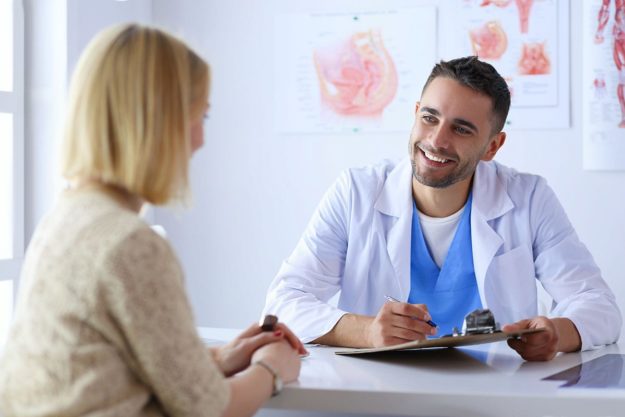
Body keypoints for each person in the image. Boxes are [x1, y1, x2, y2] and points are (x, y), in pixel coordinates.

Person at [0, 24, 305, 417]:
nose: (200, 140)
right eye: (201, 118)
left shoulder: (64, 219)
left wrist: (224, 356)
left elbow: (105, 371)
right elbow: (210, 410)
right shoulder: (129, 243)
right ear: (158, 122)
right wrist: (272, 369)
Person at [263, 56, 622, 361]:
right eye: (430, 118)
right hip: (376, 398)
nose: (437, 141)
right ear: (416, 113)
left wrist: (558, 332)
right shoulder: (356, 193)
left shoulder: (529, 199)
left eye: (462, 129)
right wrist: (367, 331)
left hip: (494, 399)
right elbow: (282, 304)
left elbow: (598, 305)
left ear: (492, 146)